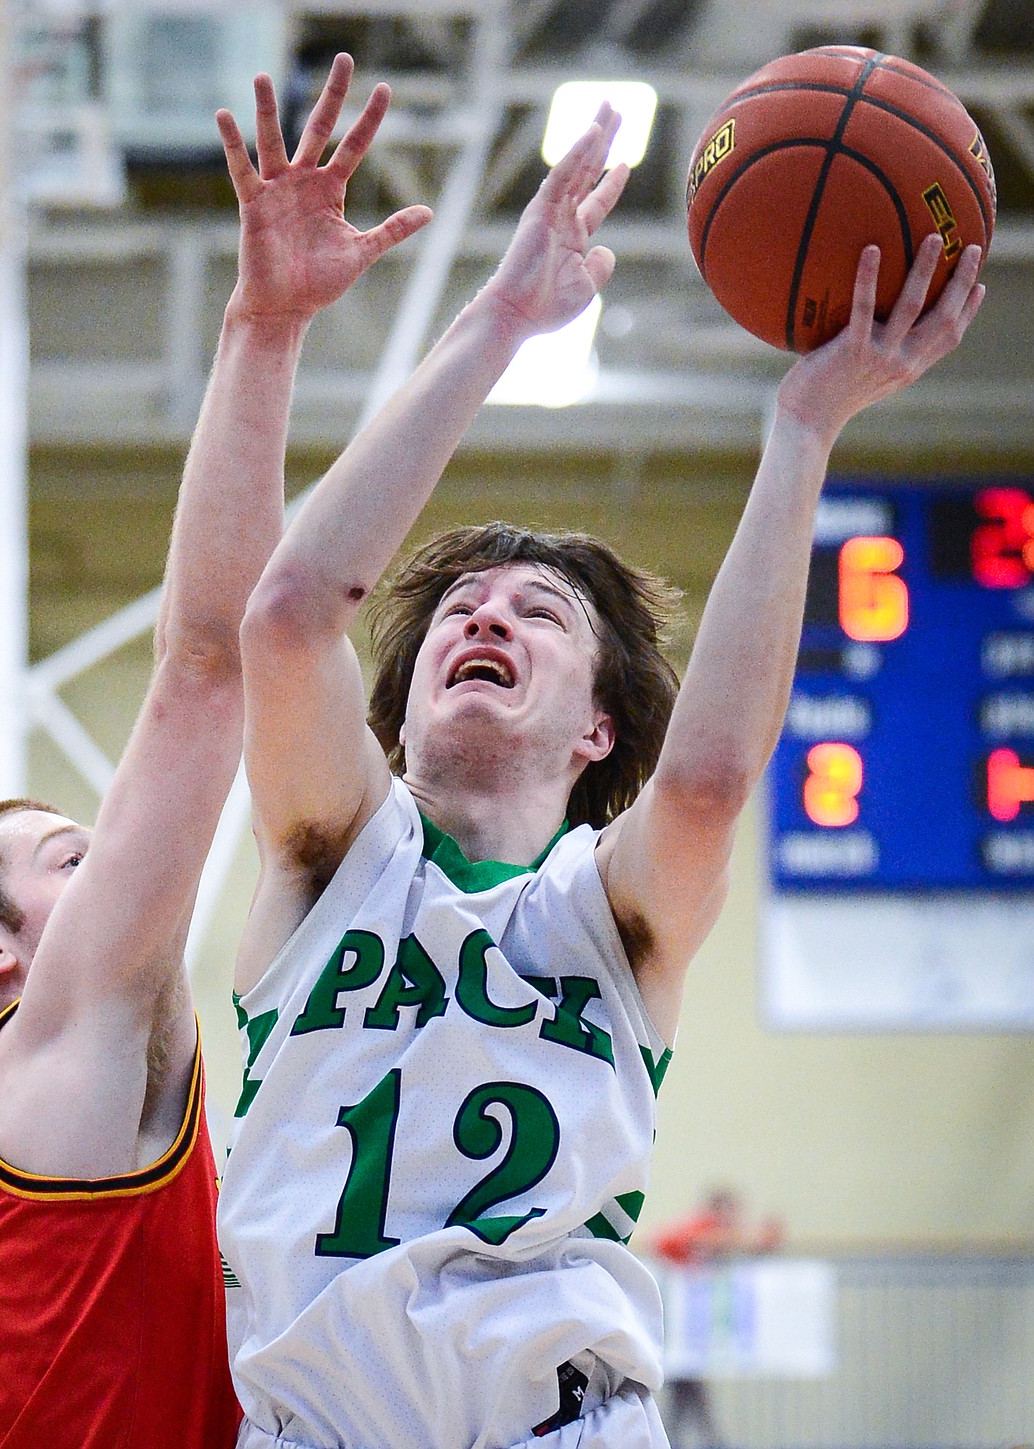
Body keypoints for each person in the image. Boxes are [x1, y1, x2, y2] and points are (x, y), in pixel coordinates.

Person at [217, 92, 985, 1449]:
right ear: (394, 713)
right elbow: (284, 617)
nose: (484, 617)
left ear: (596, 732)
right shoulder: (332, 852)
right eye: (460, 610)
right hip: (311, 1419)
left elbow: (703, 783)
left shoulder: (608, 905)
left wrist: (800, 433)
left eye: (537, 614)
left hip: (556, 1419)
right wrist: (496, 324)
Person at [0, 55, 430, 1449]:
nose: (119, 854)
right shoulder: (65, 1032)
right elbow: (203, 667)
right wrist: (261, 330)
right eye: (72, 854)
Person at [652, 1188, 783, 1447]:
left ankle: (690, 1441)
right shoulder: (698, 1229)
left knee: (686, 1391)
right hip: (682, 1331)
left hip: (696, 1335)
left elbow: (753, 1250)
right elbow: (667, 1243)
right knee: (687, 1389)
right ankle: (706, 1442)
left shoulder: (722, 1237)